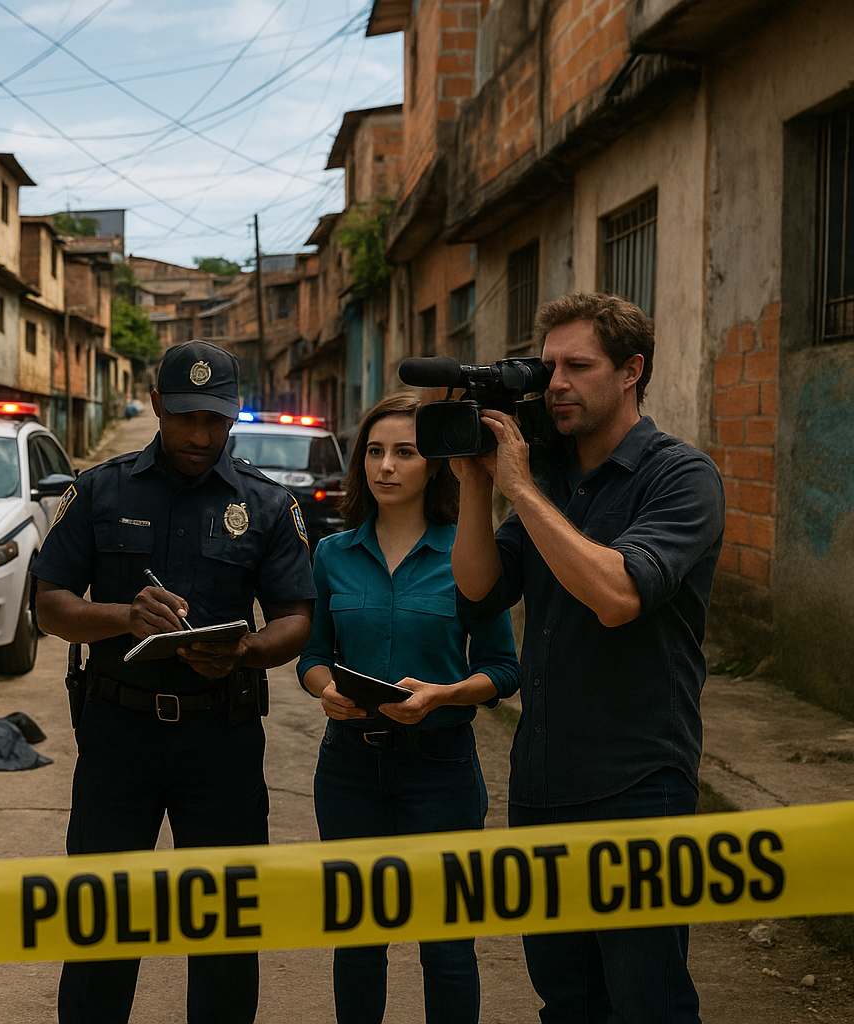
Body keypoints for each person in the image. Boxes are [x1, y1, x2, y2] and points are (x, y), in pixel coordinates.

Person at [451, 292, 725, 1023]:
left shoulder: (681, 476)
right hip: (542, 783)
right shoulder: (550, 474)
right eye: (548, 368)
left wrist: (517, 486)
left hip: (637, 781)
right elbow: (479, 588)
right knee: (567, 1001)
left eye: (578, 366)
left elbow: (618, 595)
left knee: (647, 1002)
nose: (557, 384)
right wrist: (477, 485)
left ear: (631, 370)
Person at [32, 340, 316, 1024]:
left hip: (221, 737)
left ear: (234, 413)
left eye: (215, 420)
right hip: (118, 736)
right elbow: (51, 605)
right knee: (102, 921)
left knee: (223, 930)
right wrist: (124, 617)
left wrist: (244, 650)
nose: (199, 434)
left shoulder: (268, 504)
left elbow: (296, 619)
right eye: (185, 416)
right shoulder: (100, 489)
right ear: (158, 404)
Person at [297, 393, 519, 1024]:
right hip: (349, 772)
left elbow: (503, 669)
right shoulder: (332, 555)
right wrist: (325, 691)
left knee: (447, 948)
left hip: (441, 769)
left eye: (405, 452)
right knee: (358, 945)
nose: (385, 466)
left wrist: (443, 695)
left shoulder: (469, 555)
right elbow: (312, 655)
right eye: (374, 451)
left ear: (436, 466)